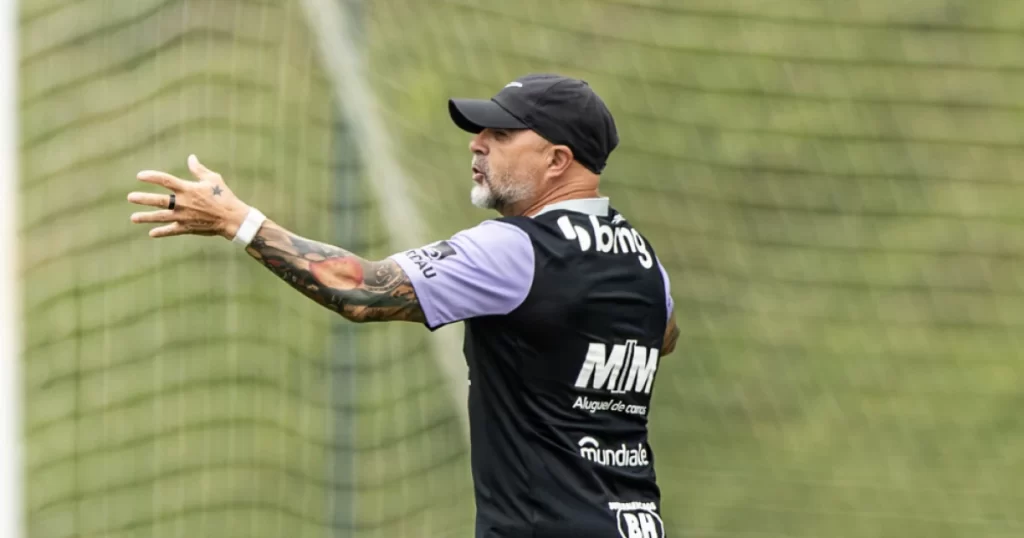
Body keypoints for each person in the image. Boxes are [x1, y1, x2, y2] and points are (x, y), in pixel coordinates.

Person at [128, 73, 679, 538]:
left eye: (502, 134)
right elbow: (665, 334)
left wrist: (237, 221)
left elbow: (360, 289)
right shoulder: (643, 260)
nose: (477, 143)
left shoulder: (516, 248)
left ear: (558, 159)